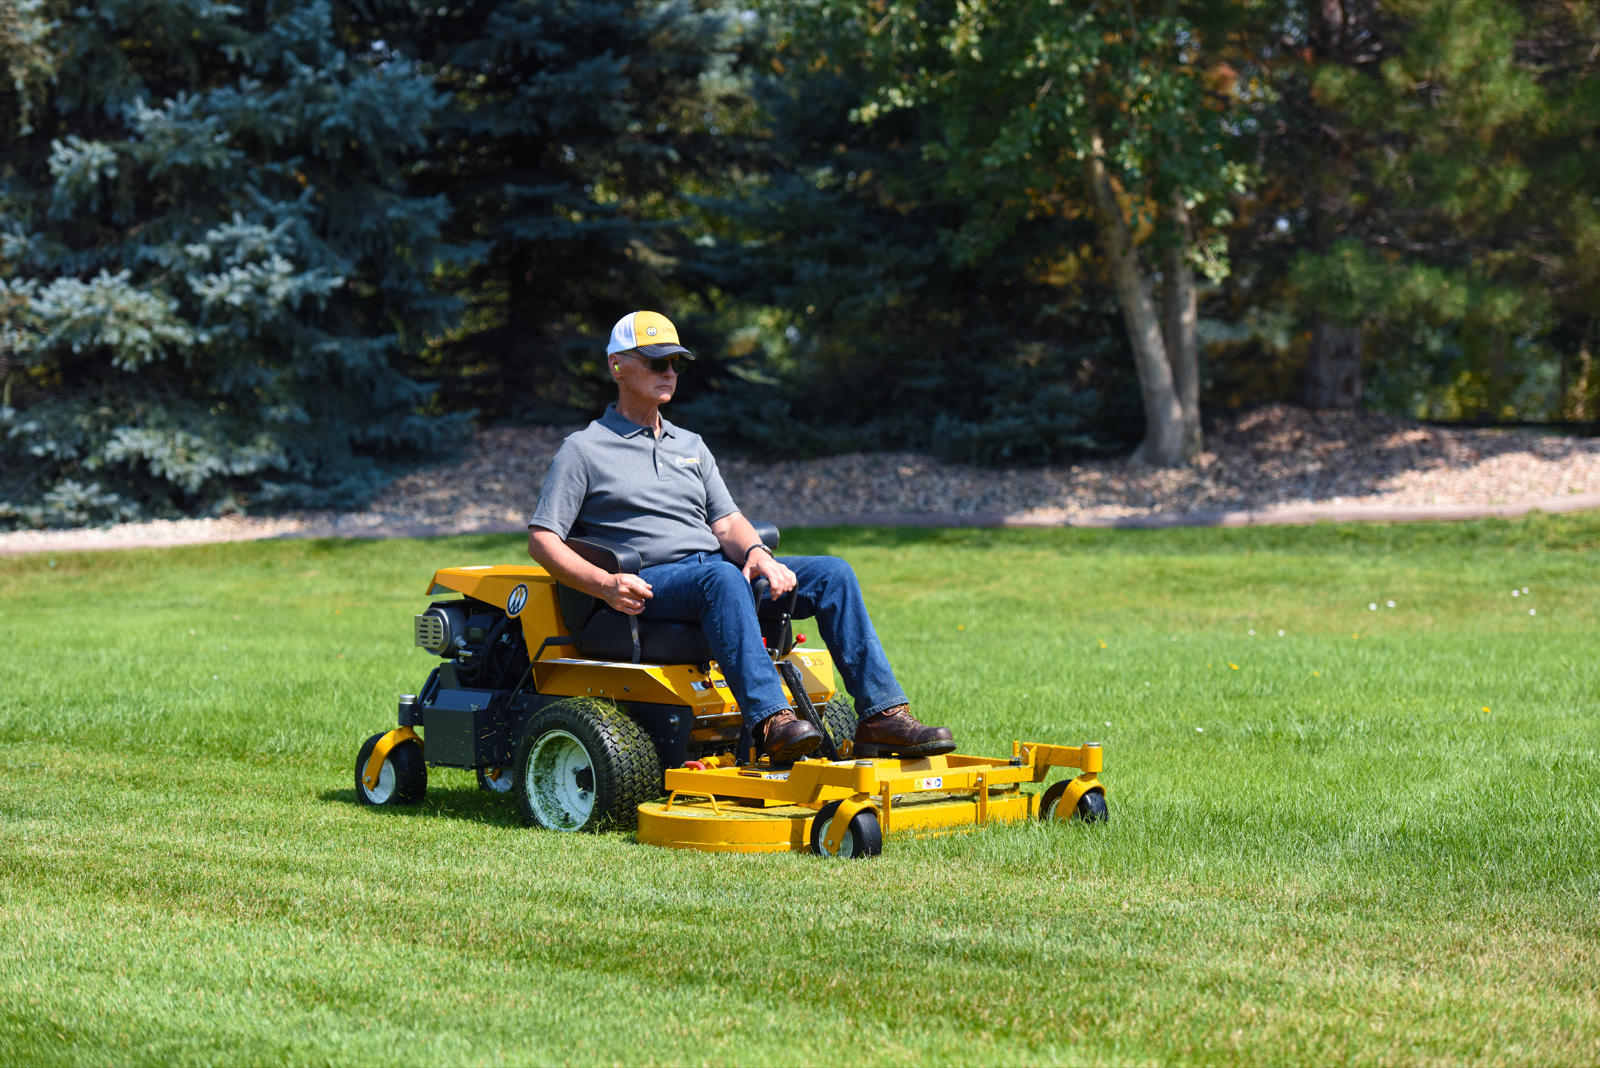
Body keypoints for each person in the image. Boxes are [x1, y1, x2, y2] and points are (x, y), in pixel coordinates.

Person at [527, 310, 956, 762]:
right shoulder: (583, 449)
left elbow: (727, 521)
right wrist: (605, 584)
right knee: (722, 578)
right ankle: (772, 720)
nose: (669, 372)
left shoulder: (690, 445)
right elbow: (542, 539)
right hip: (654, 582)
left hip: (716, 574)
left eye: (676, 363)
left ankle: (882, 716)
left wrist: (756, 553)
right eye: (656, 363)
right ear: (617, 366)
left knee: (833, 573)